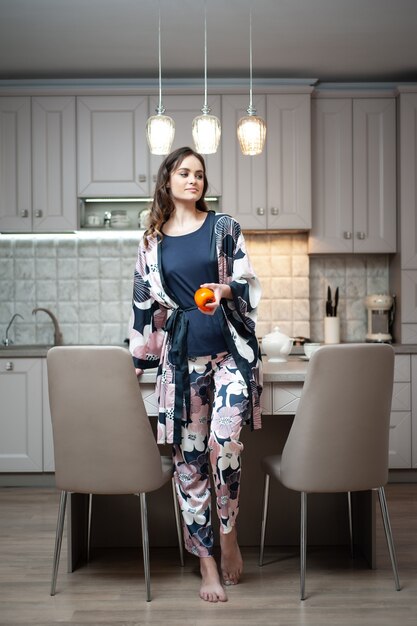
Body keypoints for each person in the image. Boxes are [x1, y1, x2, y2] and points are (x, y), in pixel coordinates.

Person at [129, 146, 262, 603]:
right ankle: (206, 564)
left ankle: (228, 534)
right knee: (189, 465)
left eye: (199, 174)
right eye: (184, 173)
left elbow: (248, 283)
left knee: (223, 447)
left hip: (228, 356)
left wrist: (225, 289)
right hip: (182, 366)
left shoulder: (224, 227)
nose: (193, 180)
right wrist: (140, 363)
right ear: (167, 180)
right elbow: (144, 305)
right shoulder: (151, 242)